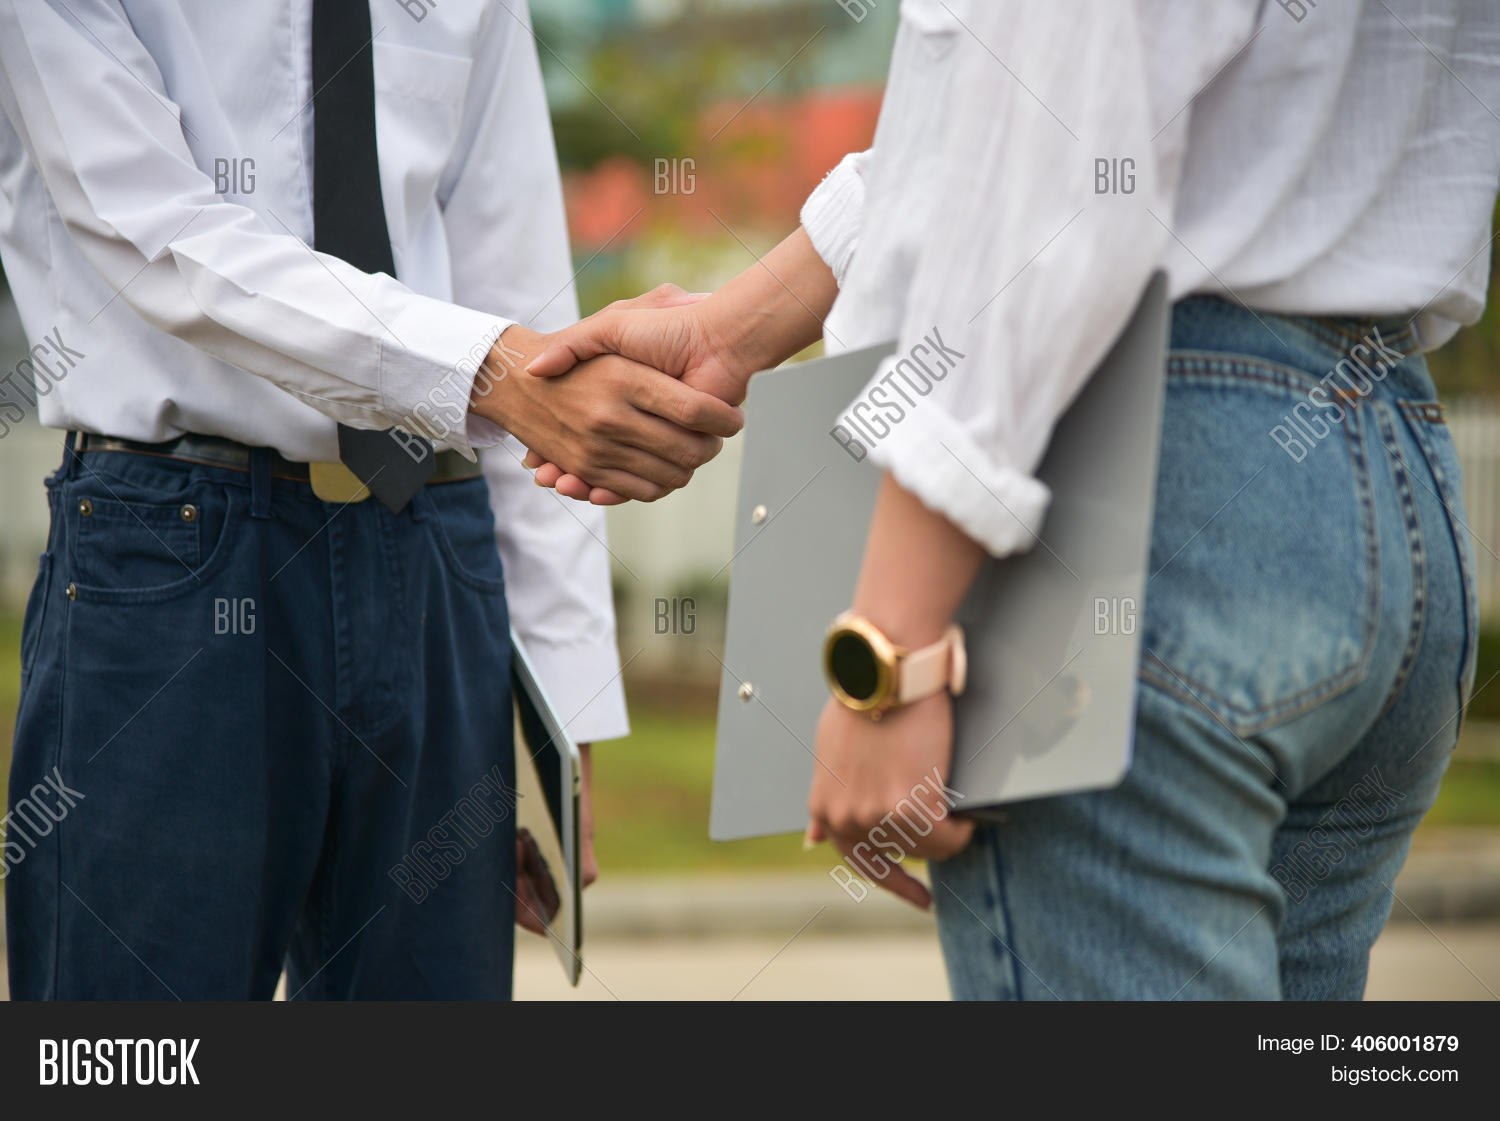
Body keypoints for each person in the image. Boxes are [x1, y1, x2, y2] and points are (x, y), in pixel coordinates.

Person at [523, 0, 1500, 998]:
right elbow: (1015, 128)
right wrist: (734, 330)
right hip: (1381, 470)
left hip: (1143, 473)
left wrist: (888, 656)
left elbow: (1050, 171)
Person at [0, 0, 740, 999]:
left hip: (437, 546)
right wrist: (489, 373)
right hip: (174, 551)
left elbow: (525, 289)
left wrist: (562, 711)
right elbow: (152, 228)